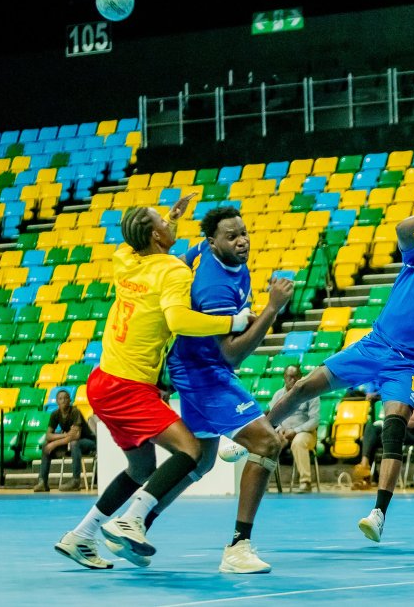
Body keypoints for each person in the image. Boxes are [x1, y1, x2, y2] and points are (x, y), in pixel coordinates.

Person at [54, 195, 254, 570]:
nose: (166, 221)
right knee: (191, 450)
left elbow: (146, 243)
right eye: (160, 221)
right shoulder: (173, 272)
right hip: (128, 385)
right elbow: (178, 321)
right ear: (155, 236)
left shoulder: (124, 259)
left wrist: (171, 223)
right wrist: (233, 322)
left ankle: (80, 536)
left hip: (102, 380)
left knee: (141, 469)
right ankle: (131, 520)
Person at [262, 193, 414, 544]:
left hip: (406, 365)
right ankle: (260, 430)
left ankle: (378, 514)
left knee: (394, 427)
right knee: (304, 387)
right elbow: (402, 229)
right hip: (373, 346)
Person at [135, 205, 293, 574]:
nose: (242, 241)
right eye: (231, 236)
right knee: (266, 443)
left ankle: (135, 521)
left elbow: (180, 259)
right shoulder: (215, 286)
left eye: (243, 233)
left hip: (193, 366)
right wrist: (271, 309)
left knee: (203, 458)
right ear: (213, 241)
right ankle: (238, 548)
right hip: (203, 372)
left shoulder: (208, 253)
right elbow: (232, 354)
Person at [270, 364, 320, 494]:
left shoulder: (311, 393)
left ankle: (305, 482)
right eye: (289, 377)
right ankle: (264, 483)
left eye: (295, 377)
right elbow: (272, 417)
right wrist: (280, 428)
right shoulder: (278, 395)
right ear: (284, 377)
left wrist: (296, 430)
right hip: (283, 432)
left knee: (298, 442)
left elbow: (315, 420)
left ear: (301, 377)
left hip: (306, 433)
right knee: (268, 443)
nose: (292, 380)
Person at [33, 389, 96, 492]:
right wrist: (64, 435)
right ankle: (43, 482)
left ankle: (76, 481)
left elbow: (76, 436)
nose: (63, 400)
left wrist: (55, 443)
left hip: (89, 443)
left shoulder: (75, 411)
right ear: (57, 401)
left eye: (66, 398)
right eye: (60, 398)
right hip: (70, 442)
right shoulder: (55, 414)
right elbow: (48, 435)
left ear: (70, 400)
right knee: (46, 445)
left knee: (74, 443)